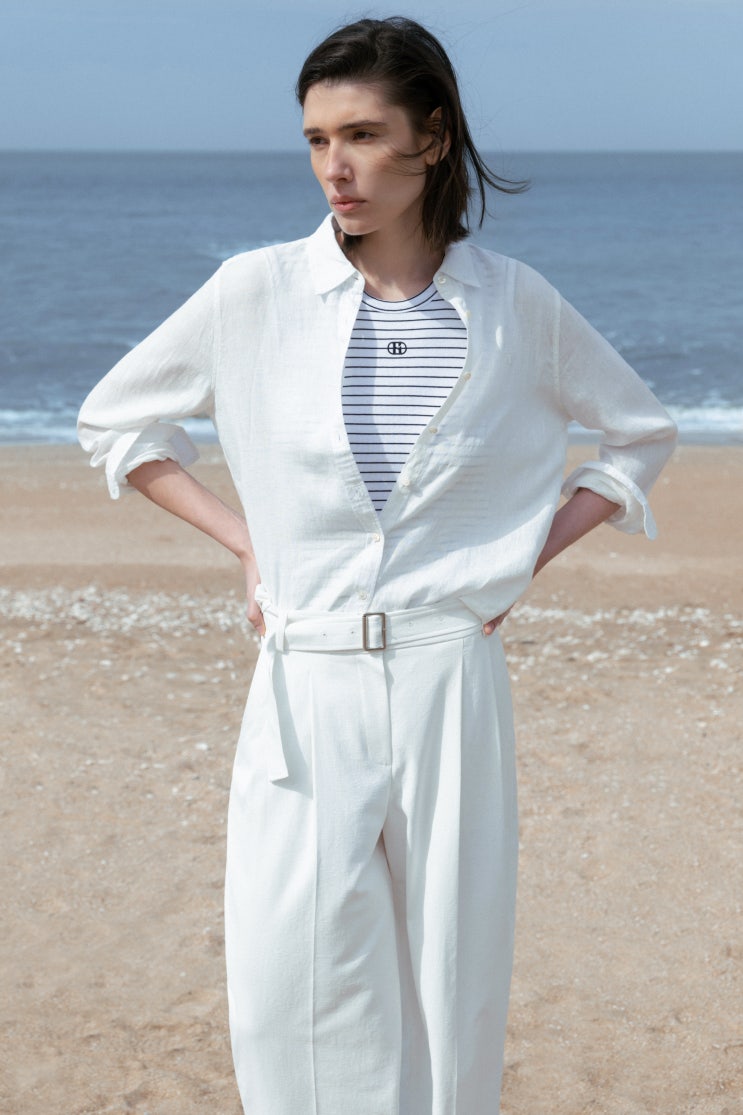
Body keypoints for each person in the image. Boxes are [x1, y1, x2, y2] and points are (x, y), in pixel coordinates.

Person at [77, 16, 677, 1115]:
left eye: (360, 134)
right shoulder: (255, 293)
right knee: (287, 986)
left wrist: (523, 558)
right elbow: (117, 422)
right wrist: (248, 538)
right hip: (305, 674)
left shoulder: (515, 306)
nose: (334, 167)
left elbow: (637, 433)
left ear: (430, 139)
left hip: (451, 674)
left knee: (450, 978)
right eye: (316, 139)